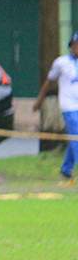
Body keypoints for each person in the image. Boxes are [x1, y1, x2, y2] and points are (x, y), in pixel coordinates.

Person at [33, 32, 78, 180]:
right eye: (75, 45)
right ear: (71, 46)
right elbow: (49, 81)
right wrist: (40, 100)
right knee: (76, 137)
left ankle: (66, 169)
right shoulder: (61, 62)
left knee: (75, 138)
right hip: (69, 106)